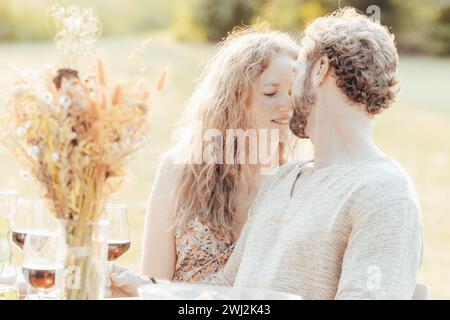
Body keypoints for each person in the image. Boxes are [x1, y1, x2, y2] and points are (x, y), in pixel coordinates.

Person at [108, 7, 423, 300]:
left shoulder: (384, 195)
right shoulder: (284, 179)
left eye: (297, 71)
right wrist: (146, 290)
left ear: (320, 70)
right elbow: (226, 291)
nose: (287, 101)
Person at [107, 26, 300, 296]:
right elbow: (154, 285)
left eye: (294, 93)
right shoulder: (179, 168)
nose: (287, 105)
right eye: (270, 93)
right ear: (233, 100)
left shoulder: (301, 179)